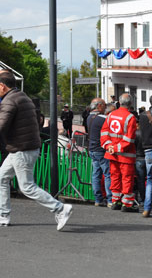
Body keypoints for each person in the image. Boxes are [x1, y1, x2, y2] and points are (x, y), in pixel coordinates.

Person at [0, 70, 73, 230]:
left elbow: (2, 124)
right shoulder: (22, 97)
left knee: (27, 186)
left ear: (2, 86)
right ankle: (3, 216)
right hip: (24, 148)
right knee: (2, 178)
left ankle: (60, 208)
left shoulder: (9, 101)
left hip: (21, 150)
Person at [100, 93, 138, 213]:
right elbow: (129, 139)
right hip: (125, 155)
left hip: (112, 153)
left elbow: (104, 132)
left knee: (114, 176)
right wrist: (116, 147)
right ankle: (127, 203)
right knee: (127, 178)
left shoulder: (110, 115)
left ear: (119, 102)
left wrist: (109, 146)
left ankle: (115, 200)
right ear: (131, 103)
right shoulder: (130, 117)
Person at [87, 98, 111, 207]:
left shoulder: (89, 117)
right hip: (101, 149)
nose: (105, 107)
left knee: (96, 174)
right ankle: (110, 199)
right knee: (107, 174)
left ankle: (98, 199)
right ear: (99, 106)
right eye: (104, 105)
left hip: (92, 148)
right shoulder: (102, 118)